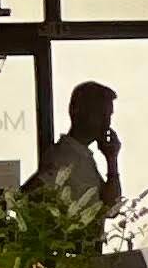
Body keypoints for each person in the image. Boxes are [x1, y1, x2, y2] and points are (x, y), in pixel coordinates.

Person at [32, 83, 120, 223]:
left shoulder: (82, 156)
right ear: (77, 111)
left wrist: (111, 159)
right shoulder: (63, 158)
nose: (106, 123)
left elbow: (112, 207)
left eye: (108, 115)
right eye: (101, 114)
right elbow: (28, 196)